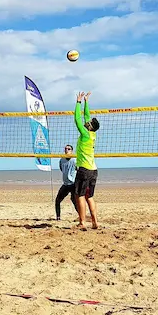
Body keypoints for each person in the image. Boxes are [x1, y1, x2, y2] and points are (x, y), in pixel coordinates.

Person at [73, 91, 100, 230]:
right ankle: (95, 222)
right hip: (94, 170)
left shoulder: (84, 134)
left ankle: (82, 222)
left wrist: (78, 102)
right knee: (90, 196)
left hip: (84, 170)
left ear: (90, 127)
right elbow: (86, 116)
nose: (87, 122)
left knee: (80, 195)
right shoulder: (92, 134)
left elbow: (77, 119)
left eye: (89, 123)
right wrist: (86, 102)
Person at [55, 144, 78, 220]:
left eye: (68, 149)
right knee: (57, 200)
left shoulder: (75, 159)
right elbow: (62, 169)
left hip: (73, 184)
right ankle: (58, 217)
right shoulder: (61, 160)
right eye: (65, 149)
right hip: (65, 184)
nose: (66, 150)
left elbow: (78, 170)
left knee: (74, 201)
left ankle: (81, 216)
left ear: (72, 151)